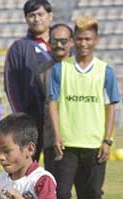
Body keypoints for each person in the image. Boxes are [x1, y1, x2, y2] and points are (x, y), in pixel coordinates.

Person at [47, 17, 119, 199]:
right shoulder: (61, 69)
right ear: (73, 41)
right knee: (62, 193)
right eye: (79, 38)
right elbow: (53, 104)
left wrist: (107, 140)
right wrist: (57, 135)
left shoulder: (105, 71)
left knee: (92, 192)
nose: (83, 43)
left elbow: (111, 108)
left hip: (94, 142)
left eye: (88, 38)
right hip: (67, 142)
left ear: (95, 40)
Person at [4, 0, 54, 160]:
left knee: (59, 166)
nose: (37, 19)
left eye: (40, 14)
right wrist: (21, 116)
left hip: (60, 118)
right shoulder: (19, 48)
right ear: (26, 19)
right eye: (32, 15)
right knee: (27, 165)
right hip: (31, 117)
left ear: (50, 15)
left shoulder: (63, 43)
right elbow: (10, 85)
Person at [33, 23, 73, 170]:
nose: (59, 45)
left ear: (71, 42)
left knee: (88, 192)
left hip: (81, 138)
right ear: (49, 43)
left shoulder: (81, 68)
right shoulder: (41, 72)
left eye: (63, 41)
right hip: (52, 140)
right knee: (57, 191)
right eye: (55, 41)